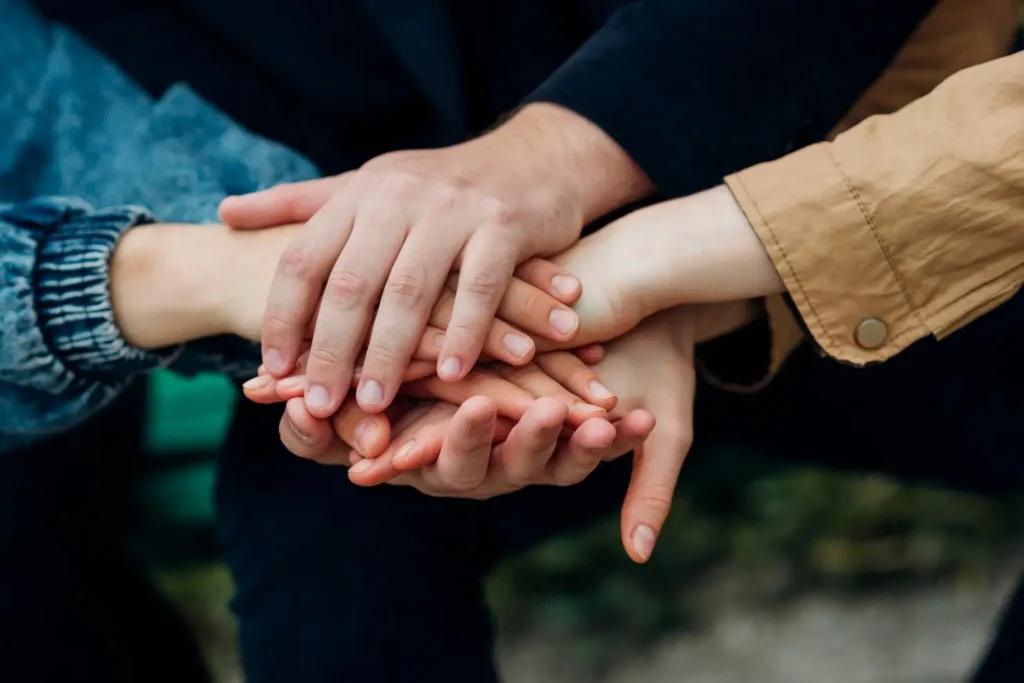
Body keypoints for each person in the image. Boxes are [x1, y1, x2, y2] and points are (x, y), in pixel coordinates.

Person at [29, 0, 1020, 681]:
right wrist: (397, 316)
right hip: (473, 327)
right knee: (327, 535)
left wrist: (583, 177)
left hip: (871, 197)